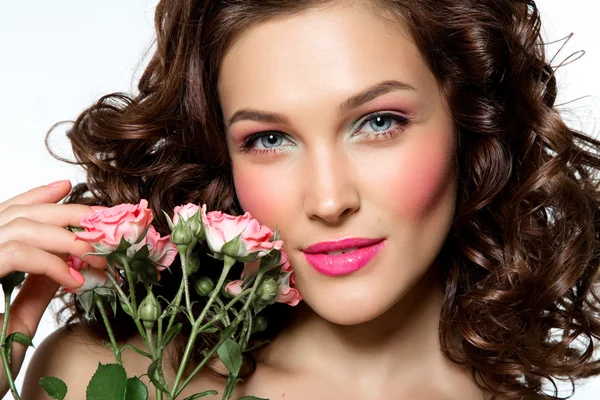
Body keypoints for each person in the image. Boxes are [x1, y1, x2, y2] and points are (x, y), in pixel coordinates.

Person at [1, 0, 599, 399]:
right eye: (269, 139)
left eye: (380, 122)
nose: (329, 199)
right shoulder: (98, 377)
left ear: (472, 122)